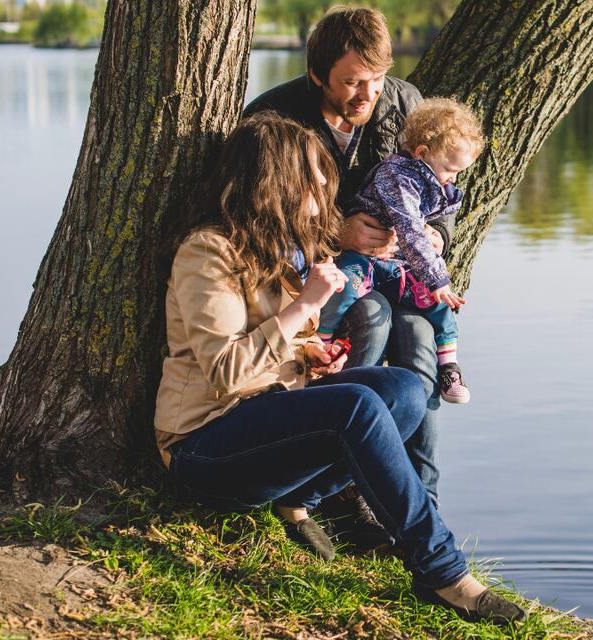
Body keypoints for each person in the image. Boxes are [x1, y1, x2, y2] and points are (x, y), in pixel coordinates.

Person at [153, 112, 525, 624]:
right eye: (313, 176)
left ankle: (298, 498)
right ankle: (442, 571)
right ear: (278, 182)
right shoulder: (208, 252)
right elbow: (226, 371)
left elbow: (286, 344)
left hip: (269, 418)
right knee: (357, 406)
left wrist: (313, 355)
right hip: (204, 444)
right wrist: (306, 305)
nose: (325, 186)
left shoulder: (284, 248)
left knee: (404, 390)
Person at [243, 7, 450, 510]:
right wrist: (334, 232)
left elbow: (442, 186)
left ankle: (421, 503)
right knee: (371, 321)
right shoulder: (275, 117)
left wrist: (437, 234)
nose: (367, 94)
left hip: (399, 271)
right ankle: (334, 479)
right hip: (320, 277)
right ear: (318, 75)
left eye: (376, 79)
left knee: (422, 343)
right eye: (353, 82)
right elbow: (256, 216)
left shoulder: (406, 102)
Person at [317, 98, 484, 405]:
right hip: (365, 256)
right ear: (422, 153)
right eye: (450, 169)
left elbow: (429, 224)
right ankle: (321, 343)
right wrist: (437, 277)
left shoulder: (434, 180)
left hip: (397, 263)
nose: (453, 178)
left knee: (437, 303)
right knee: (343, 287)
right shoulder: (397, 175)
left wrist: (437, 238)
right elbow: (408, 227)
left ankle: (449, 365)